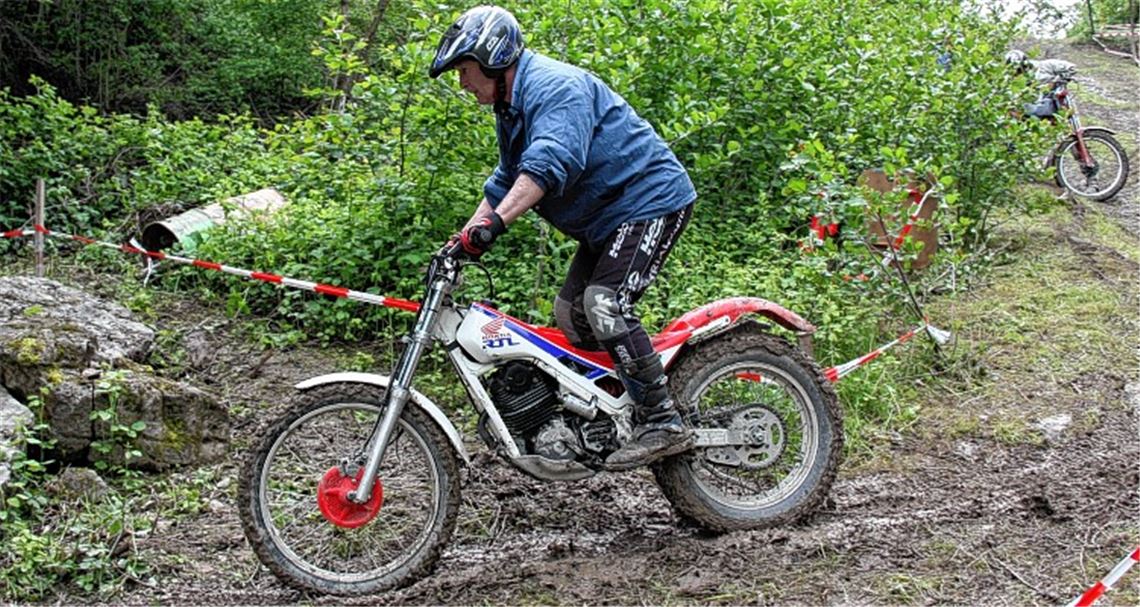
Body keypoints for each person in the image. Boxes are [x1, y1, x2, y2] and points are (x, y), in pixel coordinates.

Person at [429, 5, 697, 469]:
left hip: (649, 201)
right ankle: (609, 411)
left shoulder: (555, 87)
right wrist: (464, 238)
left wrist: (494, 227)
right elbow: (505, 180)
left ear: (492, 60)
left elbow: (549, 163)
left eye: (465, 70)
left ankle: (662, 420)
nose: (463, 82)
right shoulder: (511, 106)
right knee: (571, 314)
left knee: (605, 304)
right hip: (609, 218)